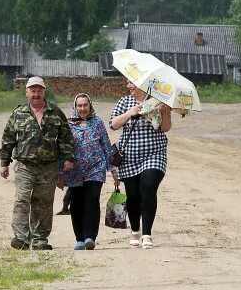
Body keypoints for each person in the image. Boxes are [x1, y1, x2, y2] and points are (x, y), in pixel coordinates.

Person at [0, 76, 75, 251]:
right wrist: (4, 162)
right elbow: (8, 139)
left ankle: (40, 239)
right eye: (32, 90)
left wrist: (68, 159)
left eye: (39, 90)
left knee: (44, 203)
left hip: (49, 167)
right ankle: (21, 238)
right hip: (25, 166)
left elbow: (66, 138)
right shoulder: (18, 114)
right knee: (22, 200)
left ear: (44, 92)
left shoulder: (55, 112)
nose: (36, 94)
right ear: (26, 93)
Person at [109, 80, 171, 249]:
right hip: (129, 156)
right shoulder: (124, 102)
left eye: (132, 84)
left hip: (154, 153)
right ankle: (135, 230)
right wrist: (130, 112)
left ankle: (147, 234)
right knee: (134, 196)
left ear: (144, 85)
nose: (129, 86)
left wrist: (164, 113)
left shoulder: (159, 101)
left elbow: (165, 128)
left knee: (148, 186)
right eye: (128, 83)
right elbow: (113, 124)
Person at [63, 93, 119, 250]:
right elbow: (63, 146)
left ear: (90, 106)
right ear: (75, 107)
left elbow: (106, 146)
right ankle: (79, 238)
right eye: (79, 106)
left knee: (92, 198)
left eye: (85, 105)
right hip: (75, 170)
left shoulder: (97, 122)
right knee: (76, 202)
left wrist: (112, 169)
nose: (82, 108)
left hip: (96, 167)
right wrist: (60, 169)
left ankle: (90, 237)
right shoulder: (68, 124)